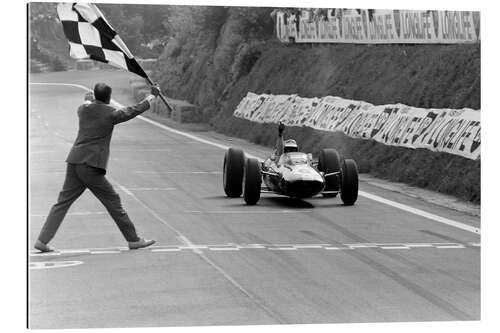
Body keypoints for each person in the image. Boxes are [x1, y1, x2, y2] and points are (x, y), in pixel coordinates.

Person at [34, 82, 161, 253]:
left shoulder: (83, 110)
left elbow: (87, 100)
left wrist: (90, 97)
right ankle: (133, 239)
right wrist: (152, 96)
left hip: (74, 161)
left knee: (62, 203)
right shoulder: (112, 114)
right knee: (113, 201)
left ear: (95, 96)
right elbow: (134, 110)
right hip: (91, 165)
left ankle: (42, 240)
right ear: (109, 98)